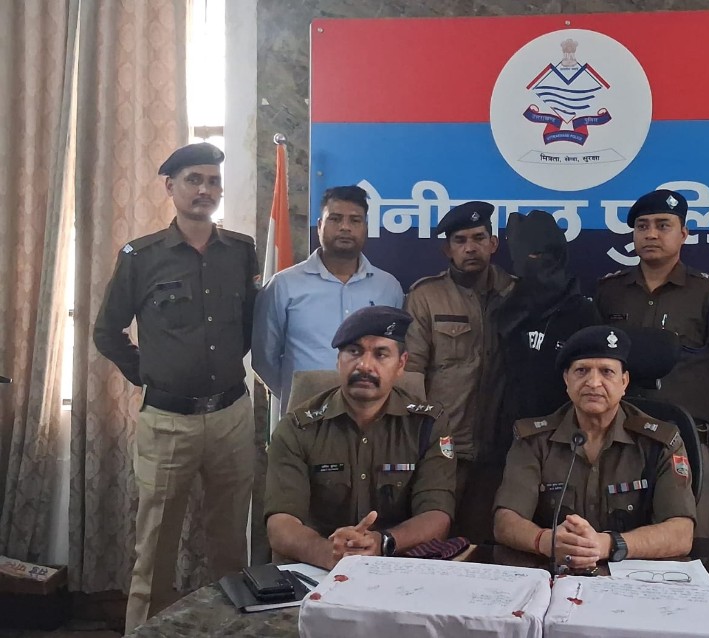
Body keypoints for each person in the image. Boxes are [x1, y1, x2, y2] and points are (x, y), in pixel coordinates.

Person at [93, 142, 259, 632]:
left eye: (213, 181)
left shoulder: (241, 251)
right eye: (193, 180)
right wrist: (150, 373)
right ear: (170, 187)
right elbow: (107, 332)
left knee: (231, 546)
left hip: (231, 417)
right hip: (167, 423)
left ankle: (232, 630)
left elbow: (249, 325)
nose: (205, 189)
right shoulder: (141, 256)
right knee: (155, 550)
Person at [594, 189, 709, 542]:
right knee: (618, 539)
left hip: (687, 439)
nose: (651, 234)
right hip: (620, 441)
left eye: (663, 225)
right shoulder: (610, 291)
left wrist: (689, 404)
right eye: (642, 226)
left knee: (690, 541)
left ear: (684, 233)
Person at [264, 306, 457, 569]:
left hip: (398, 567)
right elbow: (280, 524)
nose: (365, 365)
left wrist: (382, 542)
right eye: (353, 352)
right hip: (318, 568)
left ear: (401, 364)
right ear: (338, 361)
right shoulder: (298, 428)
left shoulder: (427, 425)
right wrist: (330, 554)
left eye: (381, 354)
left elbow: (437, 515)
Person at [493, 326, 697, 570]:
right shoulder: (534, 439)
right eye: (582, 370)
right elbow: (505, 520)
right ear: (567, 380)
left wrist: (607, 544)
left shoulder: (660, 442)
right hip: (556, 573)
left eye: (606, 372)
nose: (593, 382)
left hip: (632, 578)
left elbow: (681, 533)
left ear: (624, 381)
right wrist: (545, 541)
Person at [403, 201, 515, 543]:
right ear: (447, 250)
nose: (470, 247)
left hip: (503, 448)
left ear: (493, 244)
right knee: (433, 542)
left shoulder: (517, 294)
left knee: (485, 545)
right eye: (460, 240)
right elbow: (411, 376)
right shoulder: (426, 296)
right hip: (444, 448)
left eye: (479, 238)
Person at [252, 185, 403, 411]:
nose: (345, 227)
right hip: (304, 415)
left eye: (355, 220)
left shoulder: (388, 287)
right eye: (335, 219)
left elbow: (395, 354)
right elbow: (265, 358)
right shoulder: (284, 285)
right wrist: (297, 394)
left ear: (365, 228)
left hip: (371, 416)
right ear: (320, 226)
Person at [495, 210, 600, 457]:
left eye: (545, 255)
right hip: (511, 439)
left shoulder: (583, 312)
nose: (538, 263)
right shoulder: (507, 309)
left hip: (568, 442)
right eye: (530, 256)